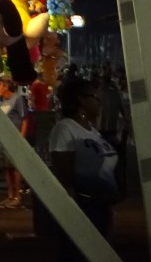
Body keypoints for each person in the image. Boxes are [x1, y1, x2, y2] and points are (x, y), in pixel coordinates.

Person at [48, 76, 119, 262]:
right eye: (95, 97)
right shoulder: (65, 129)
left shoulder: (92, 131)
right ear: (81, 100)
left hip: (102, 206)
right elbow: (62, 176)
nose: (99, 101)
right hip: (83, 207)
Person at [0, 74, 29, 208]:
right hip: (4, 139)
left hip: (15, 139)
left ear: (6, 86)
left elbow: (24, 118)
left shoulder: (17, 99)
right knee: (6, 168)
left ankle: (18, 196)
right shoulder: (3, 101)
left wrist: (21, 137)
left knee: (15, 168)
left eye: (0, 86)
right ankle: (10, 195)